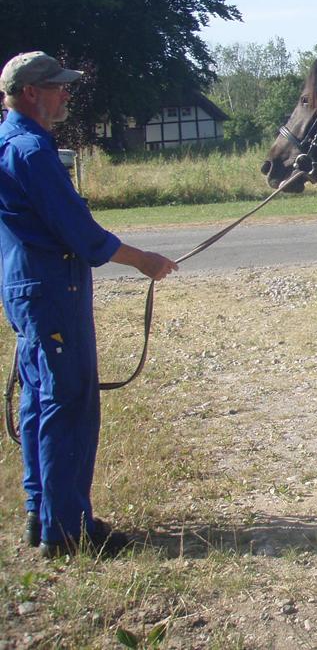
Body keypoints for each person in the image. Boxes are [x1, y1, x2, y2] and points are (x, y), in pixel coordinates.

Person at [0, 51, 179, 558]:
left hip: (25, 289)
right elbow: (81, 234)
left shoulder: (7, 142)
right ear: (32, 93)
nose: (66, 95)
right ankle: (68, 530)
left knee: (38, 401)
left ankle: (42, 512)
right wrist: (142, 259)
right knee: (70, 403)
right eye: (58, 87)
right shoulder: (32, 151)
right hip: (53, 292)